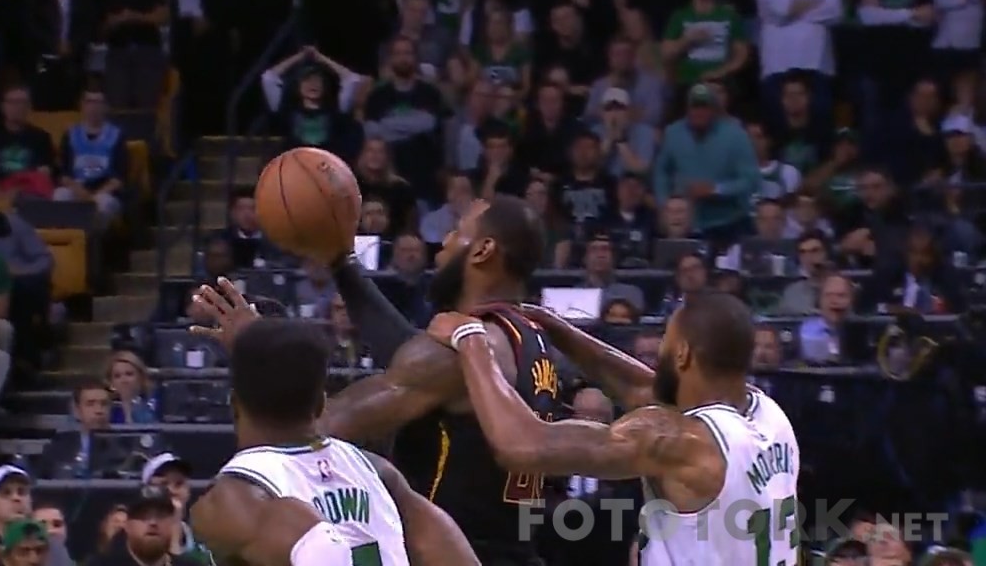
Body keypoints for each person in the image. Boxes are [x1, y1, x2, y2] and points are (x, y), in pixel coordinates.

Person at [194, 196, 564, 566]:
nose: (445, 240)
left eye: (457, 231)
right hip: (512, 550)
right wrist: (341, 263)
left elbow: (315, 427)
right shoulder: (528, 337)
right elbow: (407, 352)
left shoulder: (462, 353)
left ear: (483, 250)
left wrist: (261, 353)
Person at [425, 292, 801, 566]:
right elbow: (641, 387)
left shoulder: (683, 442)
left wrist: (471, 341)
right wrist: (556, 329)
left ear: (683, 354)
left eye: (666, 343)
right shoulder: (770, 416)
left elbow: (522, 447)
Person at [188, 318, 479, 566]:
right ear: (321, 405)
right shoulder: (377, 472)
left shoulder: (235, 496)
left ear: (234, 405)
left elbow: (322, 550)